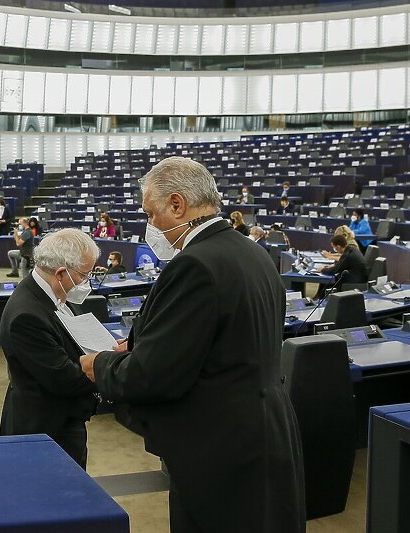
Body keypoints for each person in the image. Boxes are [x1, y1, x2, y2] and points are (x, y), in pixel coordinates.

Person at [80, 156, 305, 533]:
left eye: (151, 214)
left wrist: (100, 365)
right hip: (266, 429)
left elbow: (154, 375)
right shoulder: (253, 252)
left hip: (219, 446)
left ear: (177, 204)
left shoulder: (195, 265)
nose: (150, 226)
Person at [0, 228, 100, 469]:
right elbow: (66, 379)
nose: (86, 283)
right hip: (45, 433)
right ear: (62, 273)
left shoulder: (51, 294)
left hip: (63, 422)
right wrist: (110, 364)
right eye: (84, 276)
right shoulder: (27, 315)